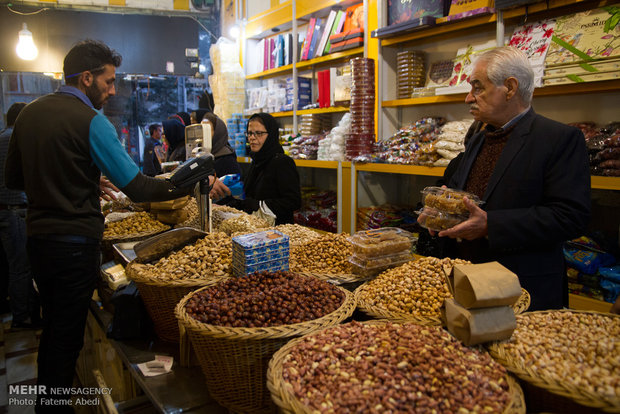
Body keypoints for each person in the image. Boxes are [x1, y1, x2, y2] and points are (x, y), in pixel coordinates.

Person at [6, 39, 207, 412]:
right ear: (86, 78)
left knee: (52, 328)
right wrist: (185, 180)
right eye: (109, 81)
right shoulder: (91, 122)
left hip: (39, 240)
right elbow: (137, 186)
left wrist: (81, 176)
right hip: (74, 242)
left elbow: (16, 179)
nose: (113, 90)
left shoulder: (29, 114)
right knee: (65, 339)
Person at [427, 46, 591, 311]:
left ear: (510, 88)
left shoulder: (558, 139)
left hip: (521, 289)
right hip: (464, 284)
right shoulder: (480, 138)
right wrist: (436, 208)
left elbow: (570, 216)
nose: (469, 98)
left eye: (477, 87)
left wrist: (492, 225)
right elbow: (453, 188)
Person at [211, 112, 301, 225]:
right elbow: (247, 199)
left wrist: (259, 205)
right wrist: (223, 208)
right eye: (249, 133)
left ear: (271, 134)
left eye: (258, 133)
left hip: (277, 231)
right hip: (255, 230)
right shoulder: (256, 161)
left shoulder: (282, 162)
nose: (252, 138)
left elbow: (293, 201)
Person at [0, 102, 40, 329]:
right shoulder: (15, 139)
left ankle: (21, 312)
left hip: (6, 210)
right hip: (13, 211)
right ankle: (22, 317)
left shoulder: (2, 136)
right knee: (20, 267)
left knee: (15, 266)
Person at [201, 112, 241, 177]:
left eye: (207, 130)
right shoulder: (201, 155)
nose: (203, 134)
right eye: (201, 130)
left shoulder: (227, 160)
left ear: (218, 133)